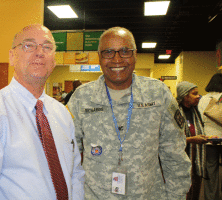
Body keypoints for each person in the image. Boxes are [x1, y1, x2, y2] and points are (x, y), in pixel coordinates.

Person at [0, 24, 85, 199]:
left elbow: (74, 173)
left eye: (47, 47)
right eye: (29, 45)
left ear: (53, 60)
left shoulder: (62, 114)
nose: (39, 52)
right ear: (12, 56)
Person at [67, 26, 191, 199]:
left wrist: (176, 196)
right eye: (108, 52)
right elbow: (67, 155)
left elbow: (175, 156)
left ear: (135, 55)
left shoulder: (158, 94)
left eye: (125, 51)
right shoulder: (82, 98)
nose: (117, 59)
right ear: (99, 58)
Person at [176, 81, 208, 200]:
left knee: (195, 189)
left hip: (196, 157)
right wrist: (192, 139)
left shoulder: (195, 111)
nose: (198, 96)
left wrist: (207, 137)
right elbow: (170, 138)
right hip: (180, 159)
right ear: (185, 96)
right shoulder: (175, 112)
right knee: (182, 191)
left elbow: (198, 130)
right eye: (194, 94)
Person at [198, 73, 222, 200]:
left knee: (210, 170)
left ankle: (210, 197)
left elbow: (201, 118)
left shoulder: (203, 99)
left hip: (209, 138)